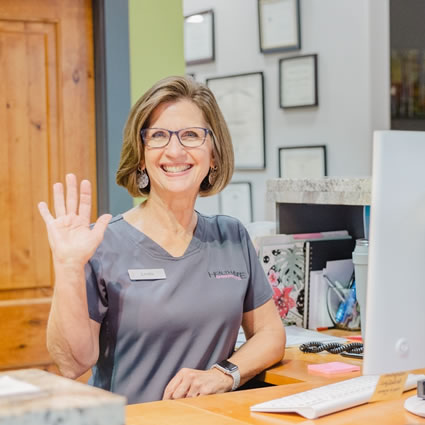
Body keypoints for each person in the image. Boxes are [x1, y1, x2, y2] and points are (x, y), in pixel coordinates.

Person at [38, 75, 286, 404]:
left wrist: (223, 374)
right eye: (158, 136)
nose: (174, 150)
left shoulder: (231, 236)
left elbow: (270, 334)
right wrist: (68, 267)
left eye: (191, 135)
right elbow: (72, 364)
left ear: (213, 154)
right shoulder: (105, 243)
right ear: (141, 156)